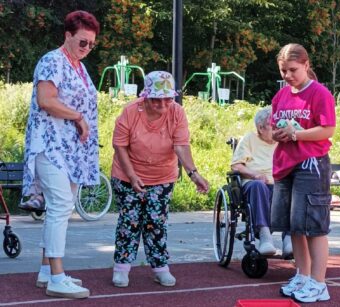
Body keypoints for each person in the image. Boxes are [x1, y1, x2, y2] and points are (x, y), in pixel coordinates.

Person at [21, 10, 100, 299]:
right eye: (82, 42)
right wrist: (79, 117)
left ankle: (46, 270)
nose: (87, 49)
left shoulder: (77, 65)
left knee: (61, 208)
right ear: (67, 35)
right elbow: (46, 100)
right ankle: (56, 276)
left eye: (92, 44)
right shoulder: (52, 61)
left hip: (70, 151)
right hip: (50, 145)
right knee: (60, 206)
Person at [111, 71, 209, 288]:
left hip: (162, 176)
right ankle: (122, 268)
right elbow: (119, 145)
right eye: (157, 99)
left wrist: (194, 174)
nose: (163, 104)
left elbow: (181, 146)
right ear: (146, 96)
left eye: (168, 99)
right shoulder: (130, 111)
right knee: (130, 221)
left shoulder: (177, 113)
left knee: (156, 222)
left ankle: (160, 268)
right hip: (127, 175)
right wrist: (132, 176)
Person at [270, 43, 336, 303]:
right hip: (286, 164)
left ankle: (319, 284)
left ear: (307, 65)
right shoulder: (281, 95)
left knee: (314, 227)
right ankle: (303, 275)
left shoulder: (320, 93)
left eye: (293, 70)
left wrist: (297, 134)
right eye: (283, 70)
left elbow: (327, 129)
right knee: (294, 226)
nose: (288, 76)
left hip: (311, 163)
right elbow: (274, 126)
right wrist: (277, 133)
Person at [230, 106, 292, 257]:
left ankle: (290, 240)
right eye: (273, 126)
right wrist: (255, 174)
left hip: (279, 184)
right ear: (260, 127)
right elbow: (236, 165)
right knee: (259, 185)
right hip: (255, 184)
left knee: (294, 186)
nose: (278, 129)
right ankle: (265, 236)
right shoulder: (249, 139)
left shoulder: (283, 141)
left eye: (279, 125)